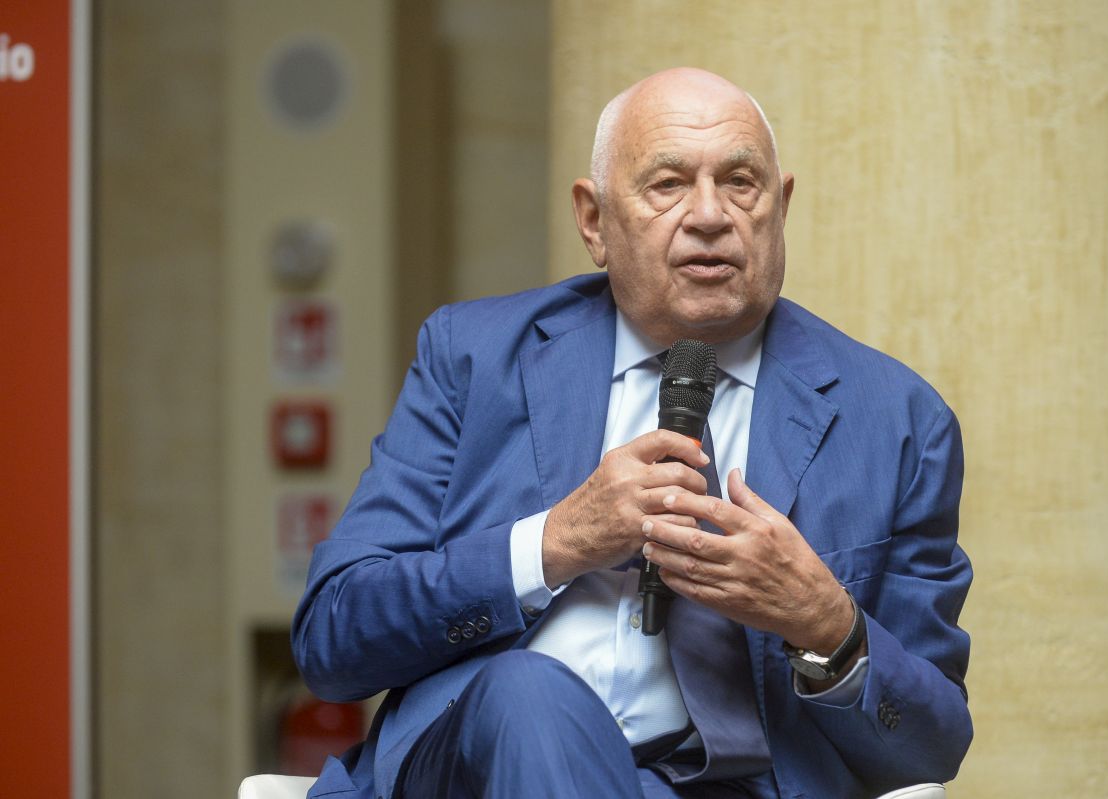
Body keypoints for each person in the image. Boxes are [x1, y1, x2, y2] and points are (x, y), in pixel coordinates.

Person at [292, 67, 972, 799]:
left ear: (781, 208)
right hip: (476, 771)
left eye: (740, 183)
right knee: (530, 693)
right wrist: (555, 542)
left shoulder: (898, 421)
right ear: (594, 222)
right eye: (669, 184)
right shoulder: (474, 358)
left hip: (728, 787)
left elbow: (930, 746)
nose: (709, 215)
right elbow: (334, 637)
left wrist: (826, 621)